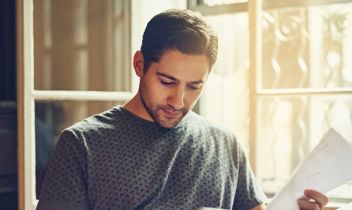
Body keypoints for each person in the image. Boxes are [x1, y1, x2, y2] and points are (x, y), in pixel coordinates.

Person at [36, 9, 328, 210]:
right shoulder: (82, 145)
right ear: (140, 65)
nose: (178, 100)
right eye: (167, 82)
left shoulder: (225, 143)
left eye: (193, 87)